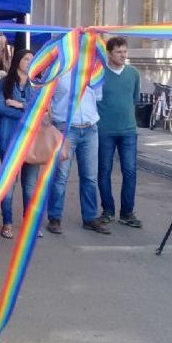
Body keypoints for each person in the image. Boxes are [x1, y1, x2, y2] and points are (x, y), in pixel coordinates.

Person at [46, 70, 108, 235]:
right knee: (61, 176)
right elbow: (47, 100)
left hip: (90, 129)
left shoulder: (93, 72)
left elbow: (98, 97)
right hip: (66, 129)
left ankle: (90, 218)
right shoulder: (56, 72)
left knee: (90, 176)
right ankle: (54, 217)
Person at [0, 49, 40, 239]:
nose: (30, 61)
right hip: (9, 138)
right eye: (26, 58)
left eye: (32, 58)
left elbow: (41, 108)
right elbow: (0, 107)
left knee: (29, 185)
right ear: (17, 61)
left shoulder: (37, 84)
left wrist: (18, 104)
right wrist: (26, 113)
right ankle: (7, 223)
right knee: (9, 184)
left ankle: (29, 224)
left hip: (32, 140)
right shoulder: (3, 83)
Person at [96, 36, 142, 228]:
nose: (123, 55)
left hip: (128, 130)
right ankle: (108, 210)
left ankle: (127, 212)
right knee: (104, 171)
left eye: (125, 51)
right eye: (119, 52)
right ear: (109, 53)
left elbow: (134, 99)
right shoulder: (99, 73)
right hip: (104, 130)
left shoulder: (133, 73)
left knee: (130, 171)